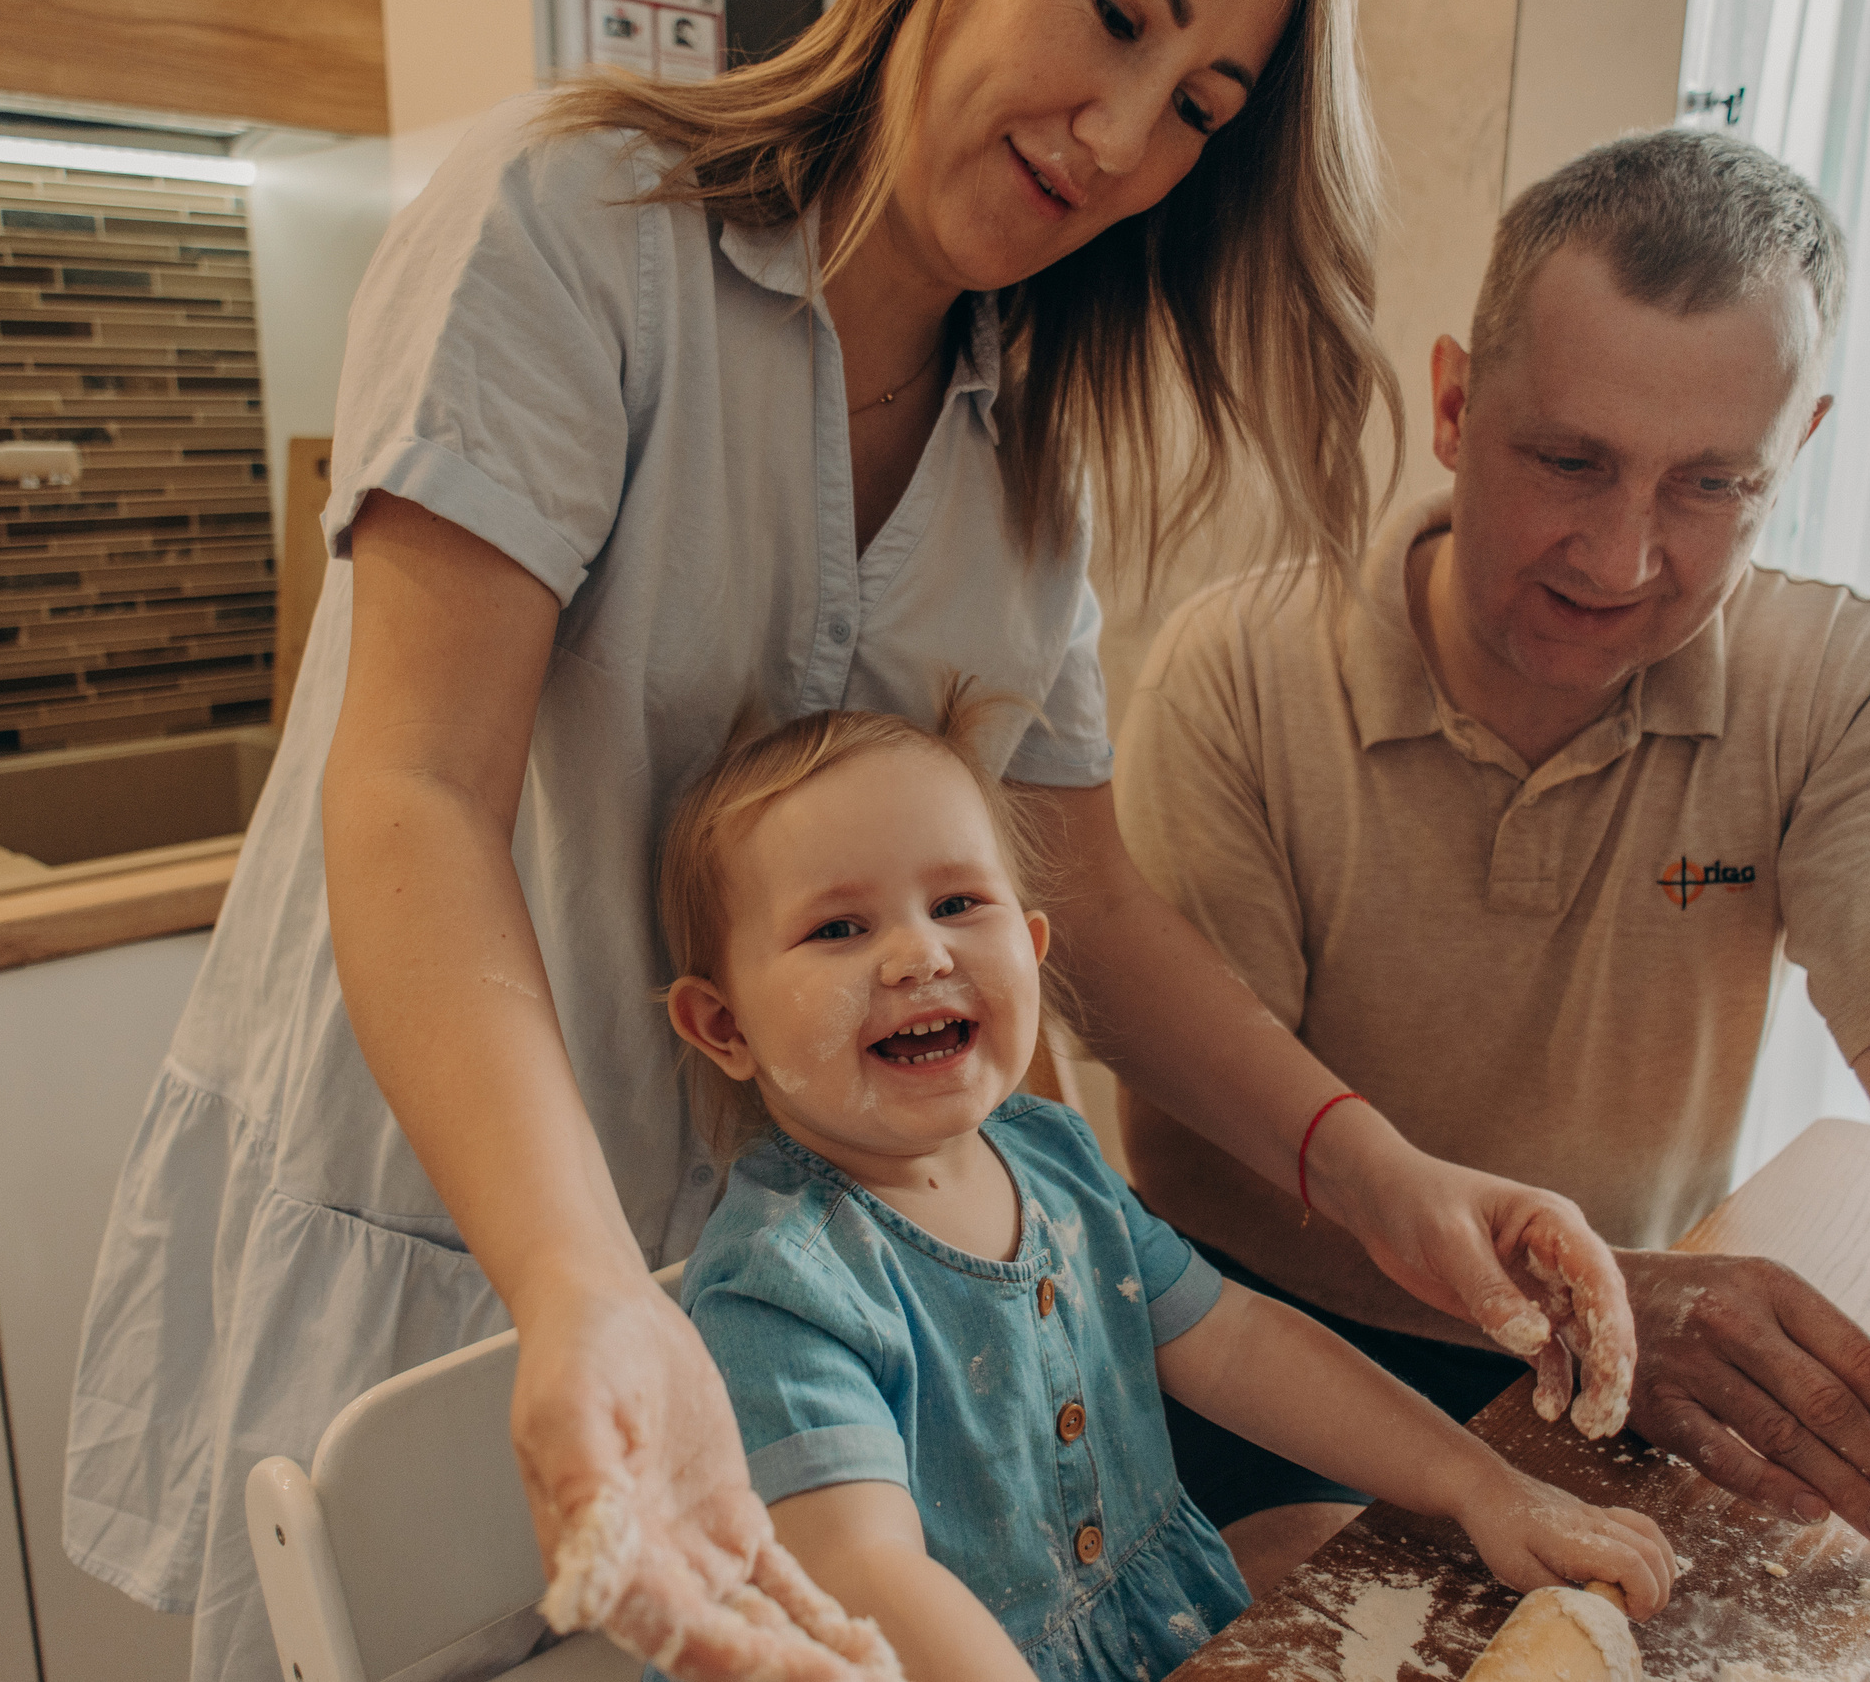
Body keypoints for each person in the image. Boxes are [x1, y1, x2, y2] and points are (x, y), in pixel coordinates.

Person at [64, 0, 1643, 1678]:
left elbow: (1087, 902)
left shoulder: (1032, 441)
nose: (1120, 140)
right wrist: (584, 1280)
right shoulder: (576, 230)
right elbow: (417, 792)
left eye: (1197, 107)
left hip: (785, 1306)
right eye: (1116, 12)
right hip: (470, 1227)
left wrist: (1377, 1174)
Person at [1114, 128, 1870, 1678]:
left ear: (1803, 442)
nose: (1623, 557)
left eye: (1714, 484)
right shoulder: (1241, 676)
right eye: (1569, 461)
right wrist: (1599, 1316)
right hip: (1272, 1362)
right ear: (1456, 404)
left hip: (1623, 1381)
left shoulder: (1863, 691)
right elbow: (1197, 1158)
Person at [653, 697, 1675, 1682]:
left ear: (1033, 947)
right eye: (837, 928)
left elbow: (1234, 1341)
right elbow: (868, 1575)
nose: (920, 951)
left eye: (959, 903)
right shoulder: (778, 1287)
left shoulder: (1050, 1155)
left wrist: (1480, 1485)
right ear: (723, 1026)